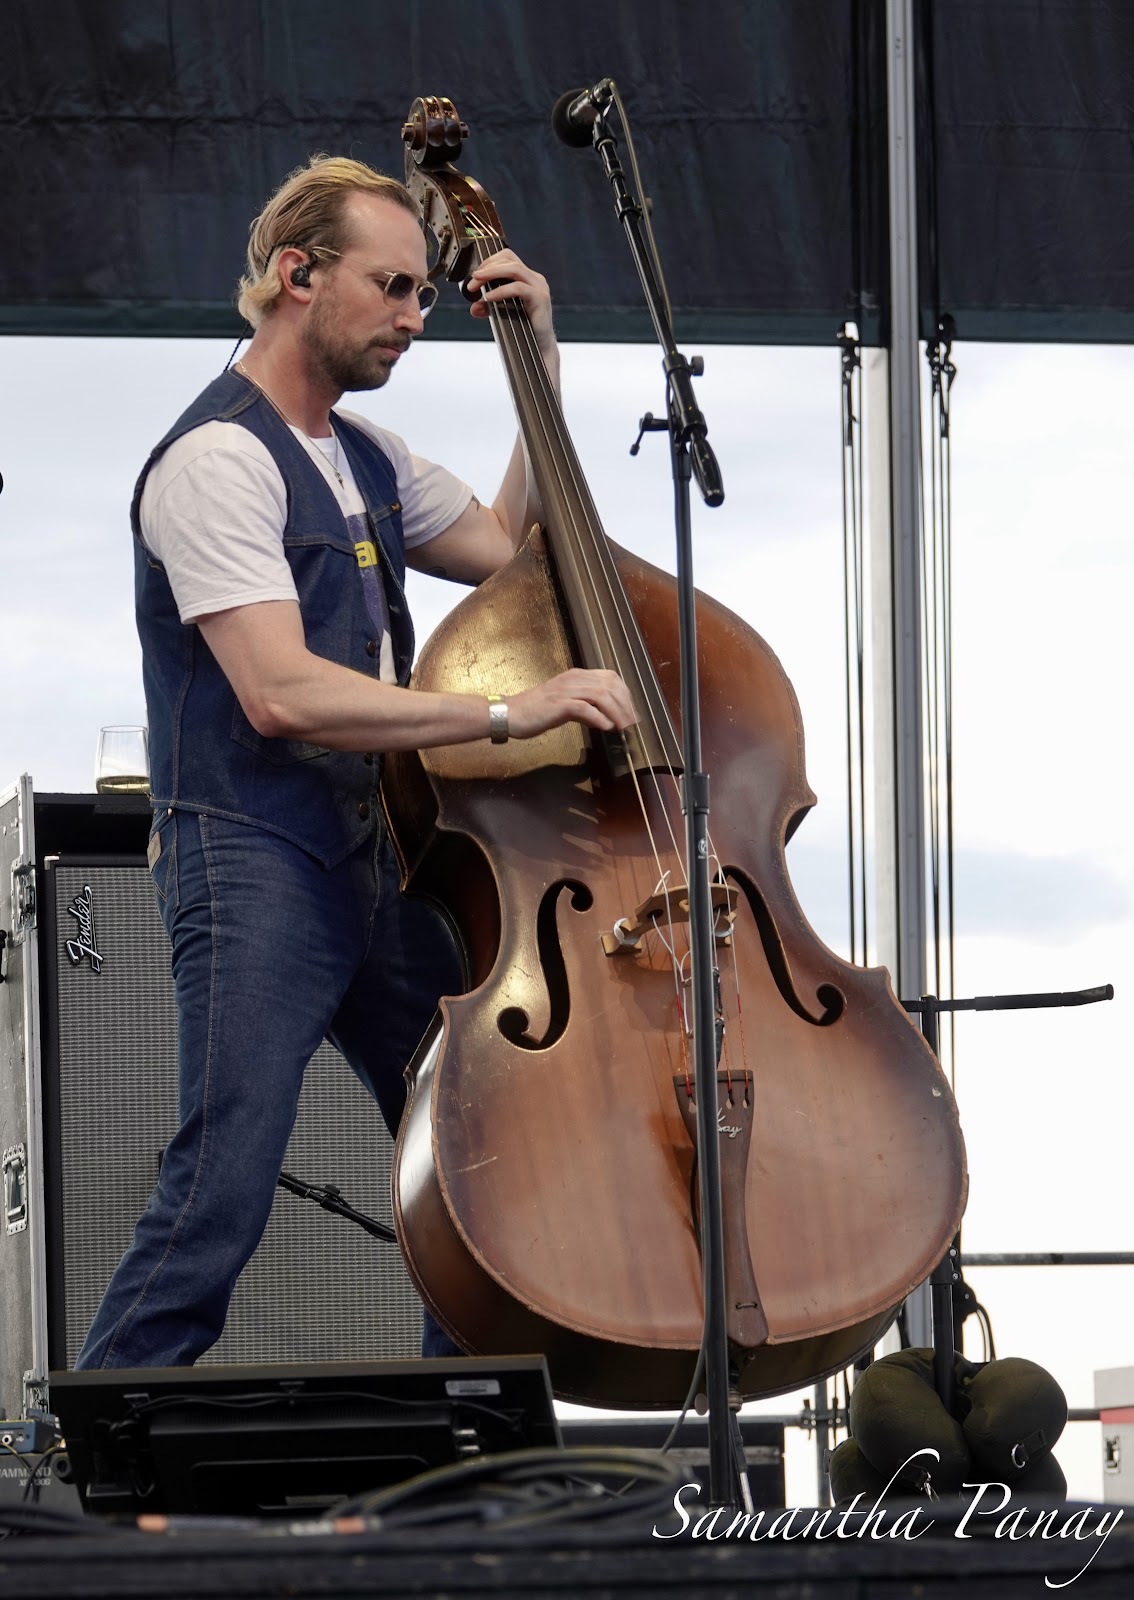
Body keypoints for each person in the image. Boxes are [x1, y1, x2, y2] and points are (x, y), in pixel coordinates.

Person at [75, 155, 635, 1369]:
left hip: (377, 861)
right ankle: (93, 1449)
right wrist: (507, 714)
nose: (415, 316)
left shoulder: (367, 454)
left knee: (483, 1157)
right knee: (224, 1181)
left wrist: (539, 360)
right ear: (297, 275)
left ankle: (470, 1447)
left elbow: (508, 547)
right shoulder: (215, 461)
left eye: (425, 293)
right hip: (251, 859)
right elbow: (279, 693)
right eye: (392, 287)